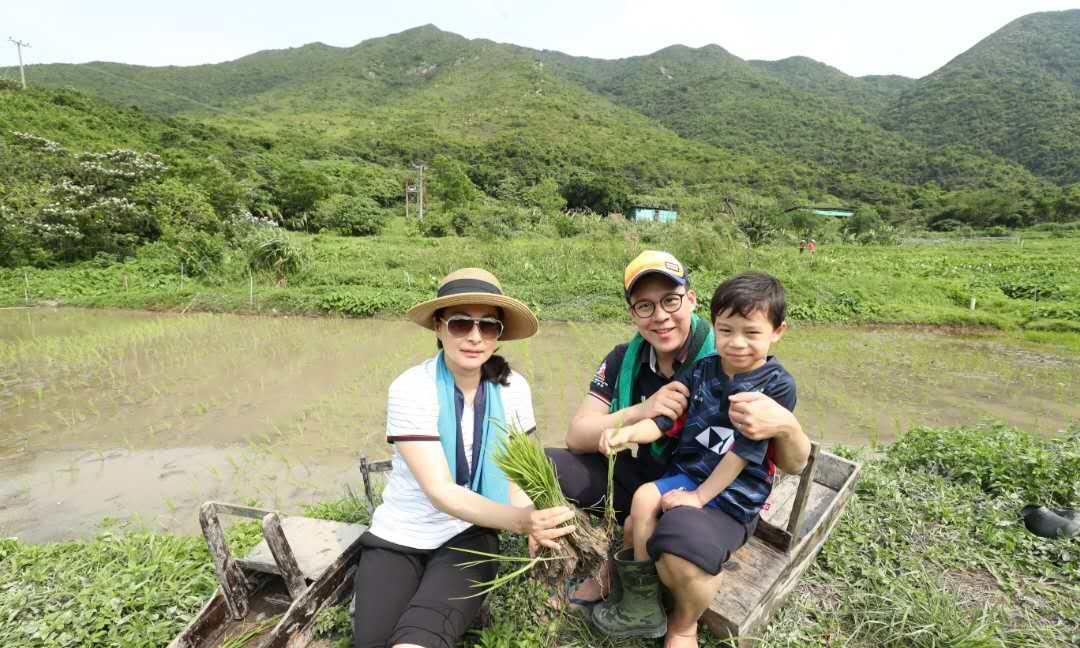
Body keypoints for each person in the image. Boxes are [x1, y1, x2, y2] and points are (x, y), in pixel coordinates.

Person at [545, 251, 811, 648]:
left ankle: (681, 621)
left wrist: (787, 426)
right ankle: (635, 591)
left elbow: (784, 459)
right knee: (555, 467)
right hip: (666, 472)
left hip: (715, 485)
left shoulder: (732, 365)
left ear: (691, 300)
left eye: (671, 300)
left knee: (674, 542)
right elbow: (581, 434)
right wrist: (635, 419)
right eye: (645, 305)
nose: (661, 315)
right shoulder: (631, 360)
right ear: (633, 312)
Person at [352, 268, 576, 648]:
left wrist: (530, 518)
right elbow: (440, 491)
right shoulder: (412, 387)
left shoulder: (513, 389)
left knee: (419, 639)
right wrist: (522, 522)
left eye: (488, 326)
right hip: (401, 532)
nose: (474, 337)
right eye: (460, 324)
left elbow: (517, 470)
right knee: (371, 641)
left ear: (499, 334)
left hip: (470, 533)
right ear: (439, 327)